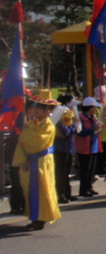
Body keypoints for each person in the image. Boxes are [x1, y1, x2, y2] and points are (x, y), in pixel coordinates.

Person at [12, 90, 61, 231]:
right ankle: (34, 216)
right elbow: (21, 143)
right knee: (29, 189)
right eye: (36, 106)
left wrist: (26, 136)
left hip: (42, 161)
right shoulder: (31, 124)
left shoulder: (49, 126)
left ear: (47, 110)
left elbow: (37, 143)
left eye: (40, 107)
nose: (36, 109)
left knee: (43, 190)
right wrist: (22, 160)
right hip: (30, 160)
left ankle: (40, 219)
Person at [74, 97, 104, 197]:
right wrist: (92, 130)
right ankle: (83, 189)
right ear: (89, 107)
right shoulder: (81, 118)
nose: (96, 109)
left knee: (91, 169)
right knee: (85, 169)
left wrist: (99, 128)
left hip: (93, 146)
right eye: (94, 107)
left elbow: (95, 130)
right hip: (84, 147)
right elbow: (80, 132)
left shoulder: (93, 117)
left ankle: (89, 187)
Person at [53, 94, 79, 203]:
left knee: (66, 172)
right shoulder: (58, 118)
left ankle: (68, 193)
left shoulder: (69, 117)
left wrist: (74, 125)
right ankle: (61, 194)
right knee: (60, 173)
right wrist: (74, 126)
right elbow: (66, 132)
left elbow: (72, 129)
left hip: (68, 148)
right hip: (60, 149)